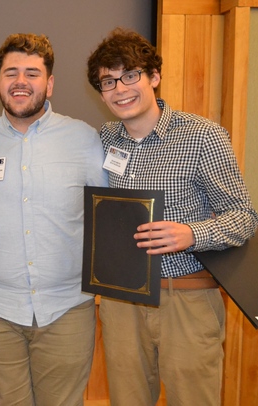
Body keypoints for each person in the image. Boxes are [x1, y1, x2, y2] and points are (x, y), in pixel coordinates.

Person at [86, 28, 258, 406]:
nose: (120, 88)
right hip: (122, 304)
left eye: (131, 75)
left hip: (187, 299)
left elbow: (245, 216)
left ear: (154, 77)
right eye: (108, 81)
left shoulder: (203, 136)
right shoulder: (102, 139)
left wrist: (192, 233)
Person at [0, 33, 108, 406]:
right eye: (11, 73)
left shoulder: (85, 140)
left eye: (32, 73)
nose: (21, 82)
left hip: (66, 310)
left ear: (50, 82)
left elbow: (110, 216)